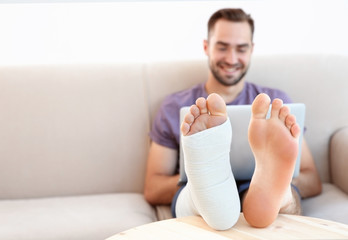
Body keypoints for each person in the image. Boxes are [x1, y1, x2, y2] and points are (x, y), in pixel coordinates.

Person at [144, 8, 322, 229]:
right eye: (222, 47)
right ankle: (206, 188)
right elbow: (153, 188)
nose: (232, 58)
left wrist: (278, 179)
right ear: (206, 47)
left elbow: (312, 181)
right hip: (195, 185)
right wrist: (207, 176)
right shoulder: (174, 107)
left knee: (280, 190)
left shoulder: (277, 103)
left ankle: (277, 193)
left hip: (250, 187)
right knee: (196, 190)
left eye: (241, 48)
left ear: (251, 50)